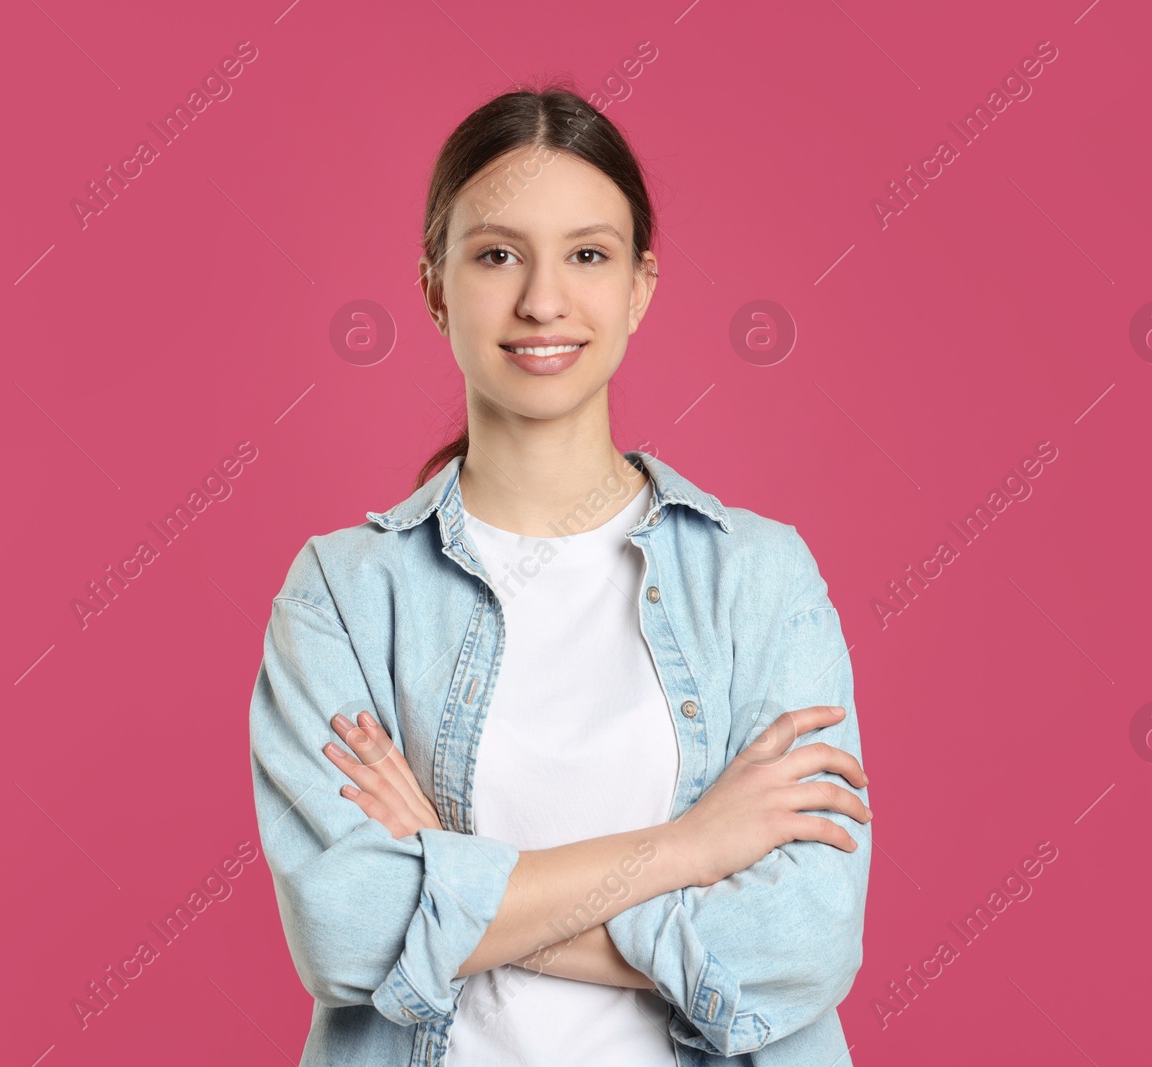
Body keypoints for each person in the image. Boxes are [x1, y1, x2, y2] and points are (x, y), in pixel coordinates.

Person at [249, 84, 872, 1067]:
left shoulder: (759, 578)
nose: (543, 299)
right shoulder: (344, 593)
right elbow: (346, 933)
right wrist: (683, 851)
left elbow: (803, 943)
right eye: (497, 254)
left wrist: (447, 885)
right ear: (434, 286)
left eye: (588, 254)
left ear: (639, 286)